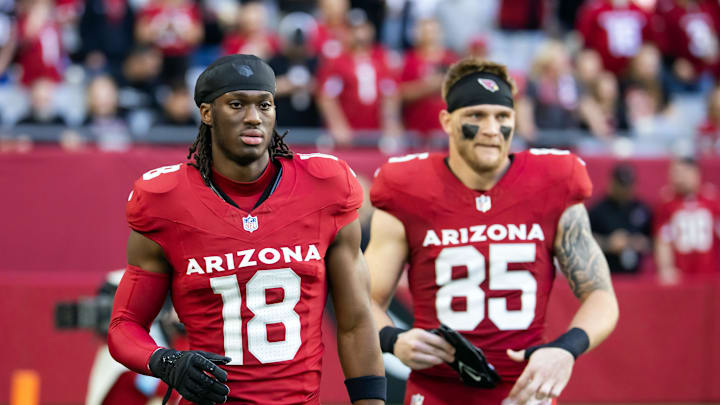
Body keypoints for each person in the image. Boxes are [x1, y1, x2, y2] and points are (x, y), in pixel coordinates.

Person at [108, 54, 386, 404]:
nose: (253, 118)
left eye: (264, 105)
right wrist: (166, 362)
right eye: (237, 104)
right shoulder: (164, 201)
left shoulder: (325, 187)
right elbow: (124, 325)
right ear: (207, 113)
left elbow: (356, 321)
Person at [365, 57, 619, 404]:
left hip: (524, 392)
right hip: (435, 391)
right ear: (446, 120)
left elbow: (602, 296)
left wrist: (565, 349)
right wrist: (393, 340)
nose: (491, 129)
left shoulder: (555, 180)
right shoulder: (407, 188)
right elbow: (365, 300)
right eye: (476, 116)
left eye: (502, 117)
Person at [654, 157, 720, 284]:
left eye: (684, 173)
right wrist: (666, 268)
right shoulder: (667, 203)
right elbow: (663, 239)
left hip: (710, 273)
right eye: (676, 173)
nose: (680, 179)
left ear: (696, 173)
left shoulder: (712, 199)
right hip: (681, 275)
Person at [589, 164, 652, 274]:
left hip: (637, 274)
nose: (624, 190)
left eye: (628, 185)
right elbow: (585, 240)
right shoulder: (597, 210)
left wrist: (636, 242)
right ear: (612, 183)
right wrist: (608, 243)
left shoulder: (642, 209)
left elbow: (654, 241)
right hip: (606, 272)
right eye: (621, 185)